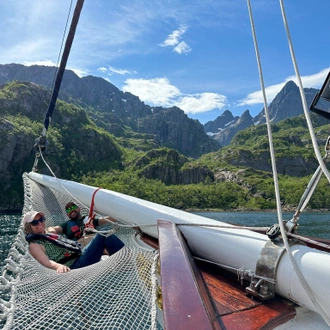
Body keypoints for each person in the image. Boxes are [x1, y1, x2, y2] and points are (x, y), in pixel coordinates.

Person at [23, 210, 125, 273]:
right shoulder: (34, 244)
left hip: (80, 256)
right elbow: (45, 261)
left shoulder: (47, 234)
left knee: (100, 238)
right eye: (35, 222)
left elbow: (54, 230)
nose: (40, 223)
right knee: (104, 233)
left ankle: (122, 259)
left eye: (41, 220)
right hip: (75, 265)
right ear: (29, 226)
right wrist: (59, 266)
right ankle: (126, 260)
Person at [47, 202, 115, 241]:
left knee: (105, 232)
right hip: (79, 247)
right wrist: (51, 231)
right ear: (67, 214)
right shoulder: (66, 225)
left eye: (73, 207)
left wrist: (118, 216)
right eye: (68, 210)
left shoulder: (89, 219)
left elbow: (106, 220)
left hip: (94, 241)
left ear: (79, 209)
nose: (71, 210)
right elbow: (53, 228)